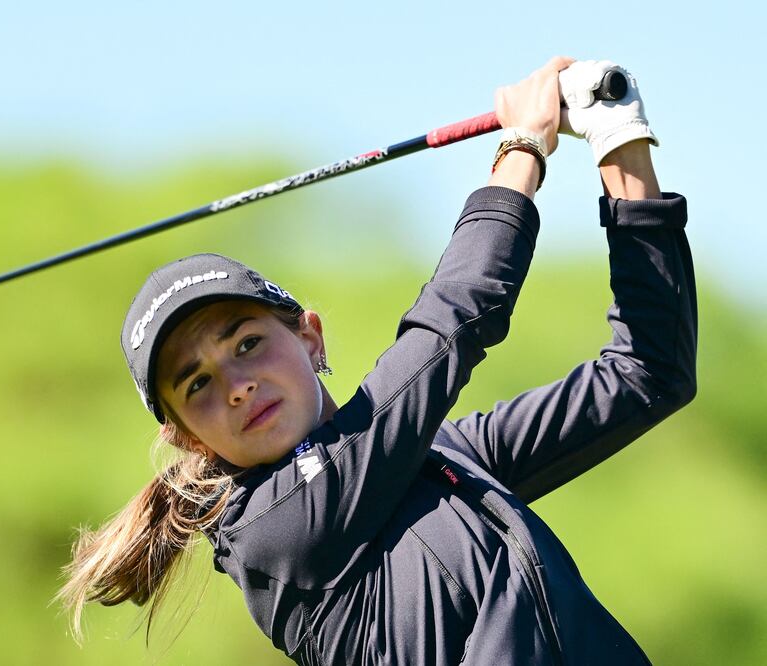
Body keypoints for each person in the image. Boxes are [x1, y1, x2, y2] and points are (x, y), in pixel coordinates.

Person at [58, 57, 697, 665]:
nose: (235, 385)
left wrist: (618, 136)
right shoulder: (271, 533)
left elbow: (647, 373)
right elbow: (450, 324)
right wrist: (522, 149)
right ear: (186, 435)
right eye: (196, 383)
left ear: (311, 338)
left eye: (246, 343)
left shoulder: (443, 460)